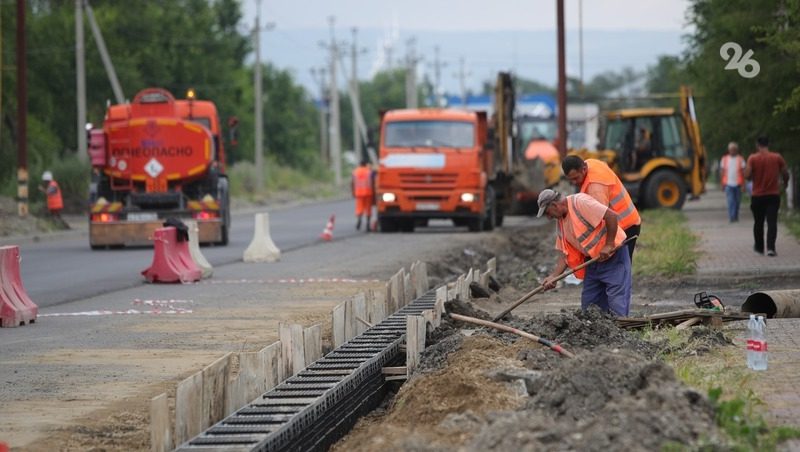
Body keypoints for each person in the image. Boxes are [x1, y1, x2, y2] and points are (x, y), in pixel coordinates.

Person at [538, 189, 632, 317]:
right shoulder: (560, 222)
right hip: (592, 263)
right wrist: (554, 276)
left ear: (554, 205)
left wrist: (609, 245)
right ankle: (599, 335)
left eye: (548, 213)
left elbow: (611, 216)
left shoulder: (580, 202)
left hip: (613, 256)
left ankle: (621, 332)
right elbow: (564, 252)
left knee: (617, 302)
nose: (549, 217)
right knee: (589, 308)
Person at [561, 155, 641, 261]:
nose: (574, 183)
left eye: (576, 178)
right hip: (627, 221)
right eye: (571, 180)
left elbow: (602, 220)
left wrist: (608, 245)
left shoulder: (595, 189)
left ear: (583, 169)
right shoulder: (591, 163)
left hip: (625, 227)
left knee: (619, 268)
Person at [744, 136, 789, 256]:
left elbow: (747, 175)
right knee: (772, 222)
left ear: (757, 145)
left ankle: (759, 247)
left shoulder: (752, 158)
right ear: (768, 144)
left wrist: (752, 175)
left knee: (758, 222)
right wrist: (785, 183)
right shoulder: (777, 157)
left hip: (757, 195)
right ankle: (771, 248)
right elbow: (785, 173)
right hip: (773, 195)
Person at [719, 142, 746, 222]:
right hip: (728, 184)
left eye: (734, 149)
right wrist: (722, 183)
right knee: (730, 201)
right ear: (729, 150)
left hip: (738, 184)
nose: (732, 151)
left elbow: (744, 172)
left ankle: (735, 215)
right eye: (731, 149)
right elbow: (722, 171)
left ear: (736, 150)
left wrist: (744, 184)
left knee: (737, 202)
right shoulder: (724, 159)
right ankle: (732, 217)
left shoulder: (740, 159)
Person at [351, 160, 374, 232]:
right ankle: (367, 224)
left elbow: (352, 183)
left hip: (359, 193)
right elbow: (373, 182)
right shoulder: (369, 172)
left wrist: (353, 192)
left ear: (359, 164)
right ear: (365, 165)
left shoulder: (355, 172)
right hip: (368, 193)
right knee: (368, 209)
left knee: (359, 208)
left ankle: (359, 220)